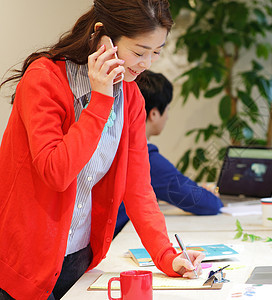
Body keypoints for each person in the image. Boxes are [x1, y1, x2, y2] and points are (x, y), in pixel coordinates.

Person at [0, 1, 204, 299]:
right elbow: (57, 173)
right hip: (24, 263)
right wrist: (100, 99)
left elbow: (138, 189)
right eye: (139, 51)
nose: (147, 63)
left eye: (156, 52)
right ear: (103, 37)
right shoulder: (45, 79)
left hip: (79, 259)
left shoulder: (131, 97)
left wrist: (167, 256)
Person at [114, 70, 224, 236]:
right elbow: (207, 204)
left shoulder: (112, 145)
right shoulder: (144, 158)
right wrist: (209, 194)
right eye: (167, 110)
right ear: (154, 114)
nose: (167, 117)